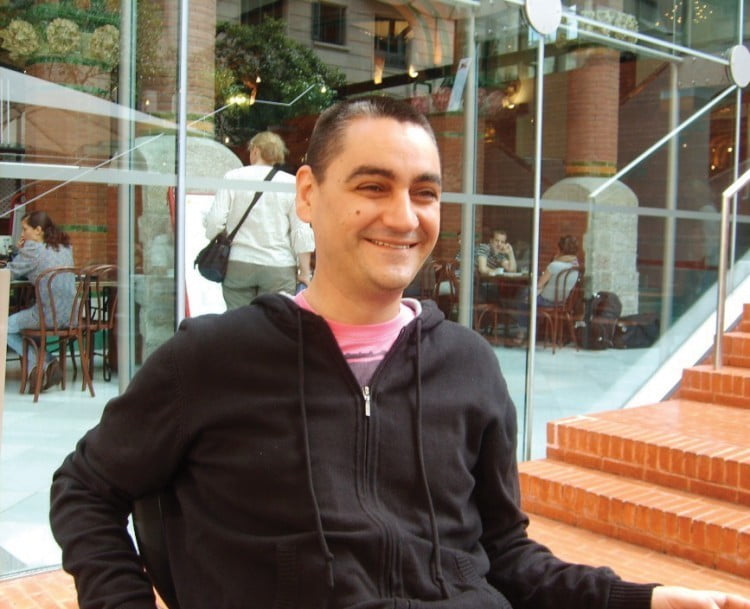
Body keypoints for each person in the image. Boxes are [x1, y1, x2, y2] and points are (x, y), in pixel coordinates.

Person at [49, 97, 750, 609]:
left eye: (425, 193)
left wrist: (641, 599)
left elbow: (503, 553)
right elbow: (85, 489)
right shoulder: (212, 359)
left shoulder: (469, 366)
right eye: (372, 186)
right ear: (307, 194)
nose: (404, 216)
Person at [204, 130, 315, 309]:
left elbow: (215, 220)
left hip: (238, 264)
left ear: (255, 150)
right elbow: (300, 231)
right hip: (278, 266)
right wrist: (304, 271)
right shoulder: (291, 184)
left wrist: (215, 238)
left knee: (239, 321)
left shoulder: (233, 177)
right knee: (275, 322)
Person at [6, 210, 75, 391]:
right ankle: (38, 372)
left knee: (3, 328)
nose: (22, 234)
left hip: (46, 316)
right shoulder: (65, 247)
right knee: (23, 323)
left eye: (25, 229)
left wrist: (20, 252)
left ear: (38, 230)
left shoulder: (33, 249)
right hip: (71, 316)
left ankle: (46, 362)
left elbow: (9, 273)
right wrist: (22, 252)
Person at [511, 234, 580, 346]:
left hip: (546, 301)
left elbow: (539, 285)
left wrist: (554, 260)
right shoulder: (576, 265)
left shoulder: (554, 265)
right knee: (526, 295)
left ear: (560, 249)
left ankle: (522, 333)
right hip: (562, 302)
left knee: (524, 299)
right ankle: (533, 331)